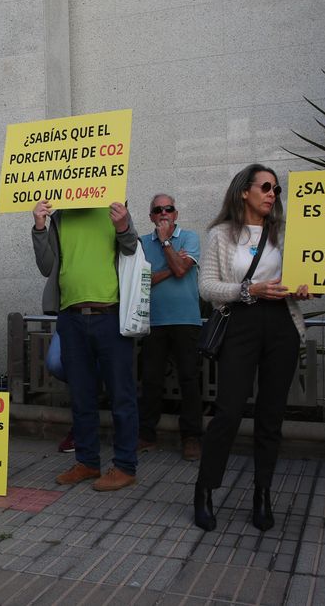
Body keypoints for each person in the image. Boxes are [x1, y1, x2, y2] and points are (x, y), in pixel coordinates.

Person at [194, 164, 312, 532]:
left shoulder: (284, 234)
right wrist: (249, 290)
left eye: (276, 189)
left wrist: (303, 287)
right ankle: (205, 489)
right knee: (228, 411)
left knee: (271, 415)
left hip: (281, 325)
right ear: (244, 191)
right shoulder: (221, 235)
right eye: (265, 187)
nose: (271, 194)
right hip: (241, 324)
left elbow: (303, 278)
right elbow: (207, 287)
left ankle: (263, 494)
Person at [33, 199, 140, 492]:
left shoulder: (113, 208)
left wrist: (123, 226)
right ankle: (88, 462)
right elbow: (46, 267)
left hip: (110, 316)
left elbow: (132, 249)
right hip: (71, 317)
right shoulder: (61, 216)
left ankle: (125, 467)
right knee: (81, 396)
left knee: (122, 395)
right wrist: (40, 227)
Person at [138, 193, 204, 461]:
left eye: (169, 209)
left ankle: (191, 438)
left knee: (189, 379)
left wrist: (166, 244)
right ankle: (146, 435)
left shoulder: (190, 238)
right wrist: (175, 264)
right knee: (150, 380)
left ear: (175, 214)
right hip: (154, 321)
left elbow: (180, 271)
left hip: (186, 320)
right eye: (158, 209)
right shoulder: (142, 243)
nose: (164, 213)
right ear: (151, 216)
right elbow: (143, 281)